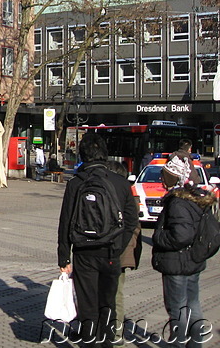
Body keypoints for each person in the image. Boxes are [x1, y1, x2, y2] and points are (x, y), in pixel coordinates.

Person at [57, 133, 138, 347]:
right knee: (107, 303)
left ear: (82, 154)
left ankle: (90, 341)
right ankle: (107, 342)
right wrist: (120, 243)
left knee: (87, 305)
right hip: (111, 251)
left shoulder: (75, 184)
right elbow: (132, 220)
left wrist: (63, 256)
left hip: (84, 252)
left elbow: (65, 221)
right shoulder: (121, 183)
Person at [152, 155, 215, 347]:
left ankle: (179, 343)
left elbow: (182, 235)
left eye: (166, 176)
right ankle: (195, 343)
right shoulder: (195, 198)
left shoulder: (178, 202)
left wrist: (159, 238)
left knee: (178, 308)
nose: (162, 180)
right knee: (192, 304)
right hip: (192, 261)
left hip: (177, 262)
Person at [105, 161, 142, 340]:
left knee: (111, 295)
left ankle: (112, 332)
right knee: (116, 294)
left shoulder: (115, 197)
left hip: (114, 253)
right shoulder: (132, 198)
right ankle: (116, 333)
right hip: (124, 253)